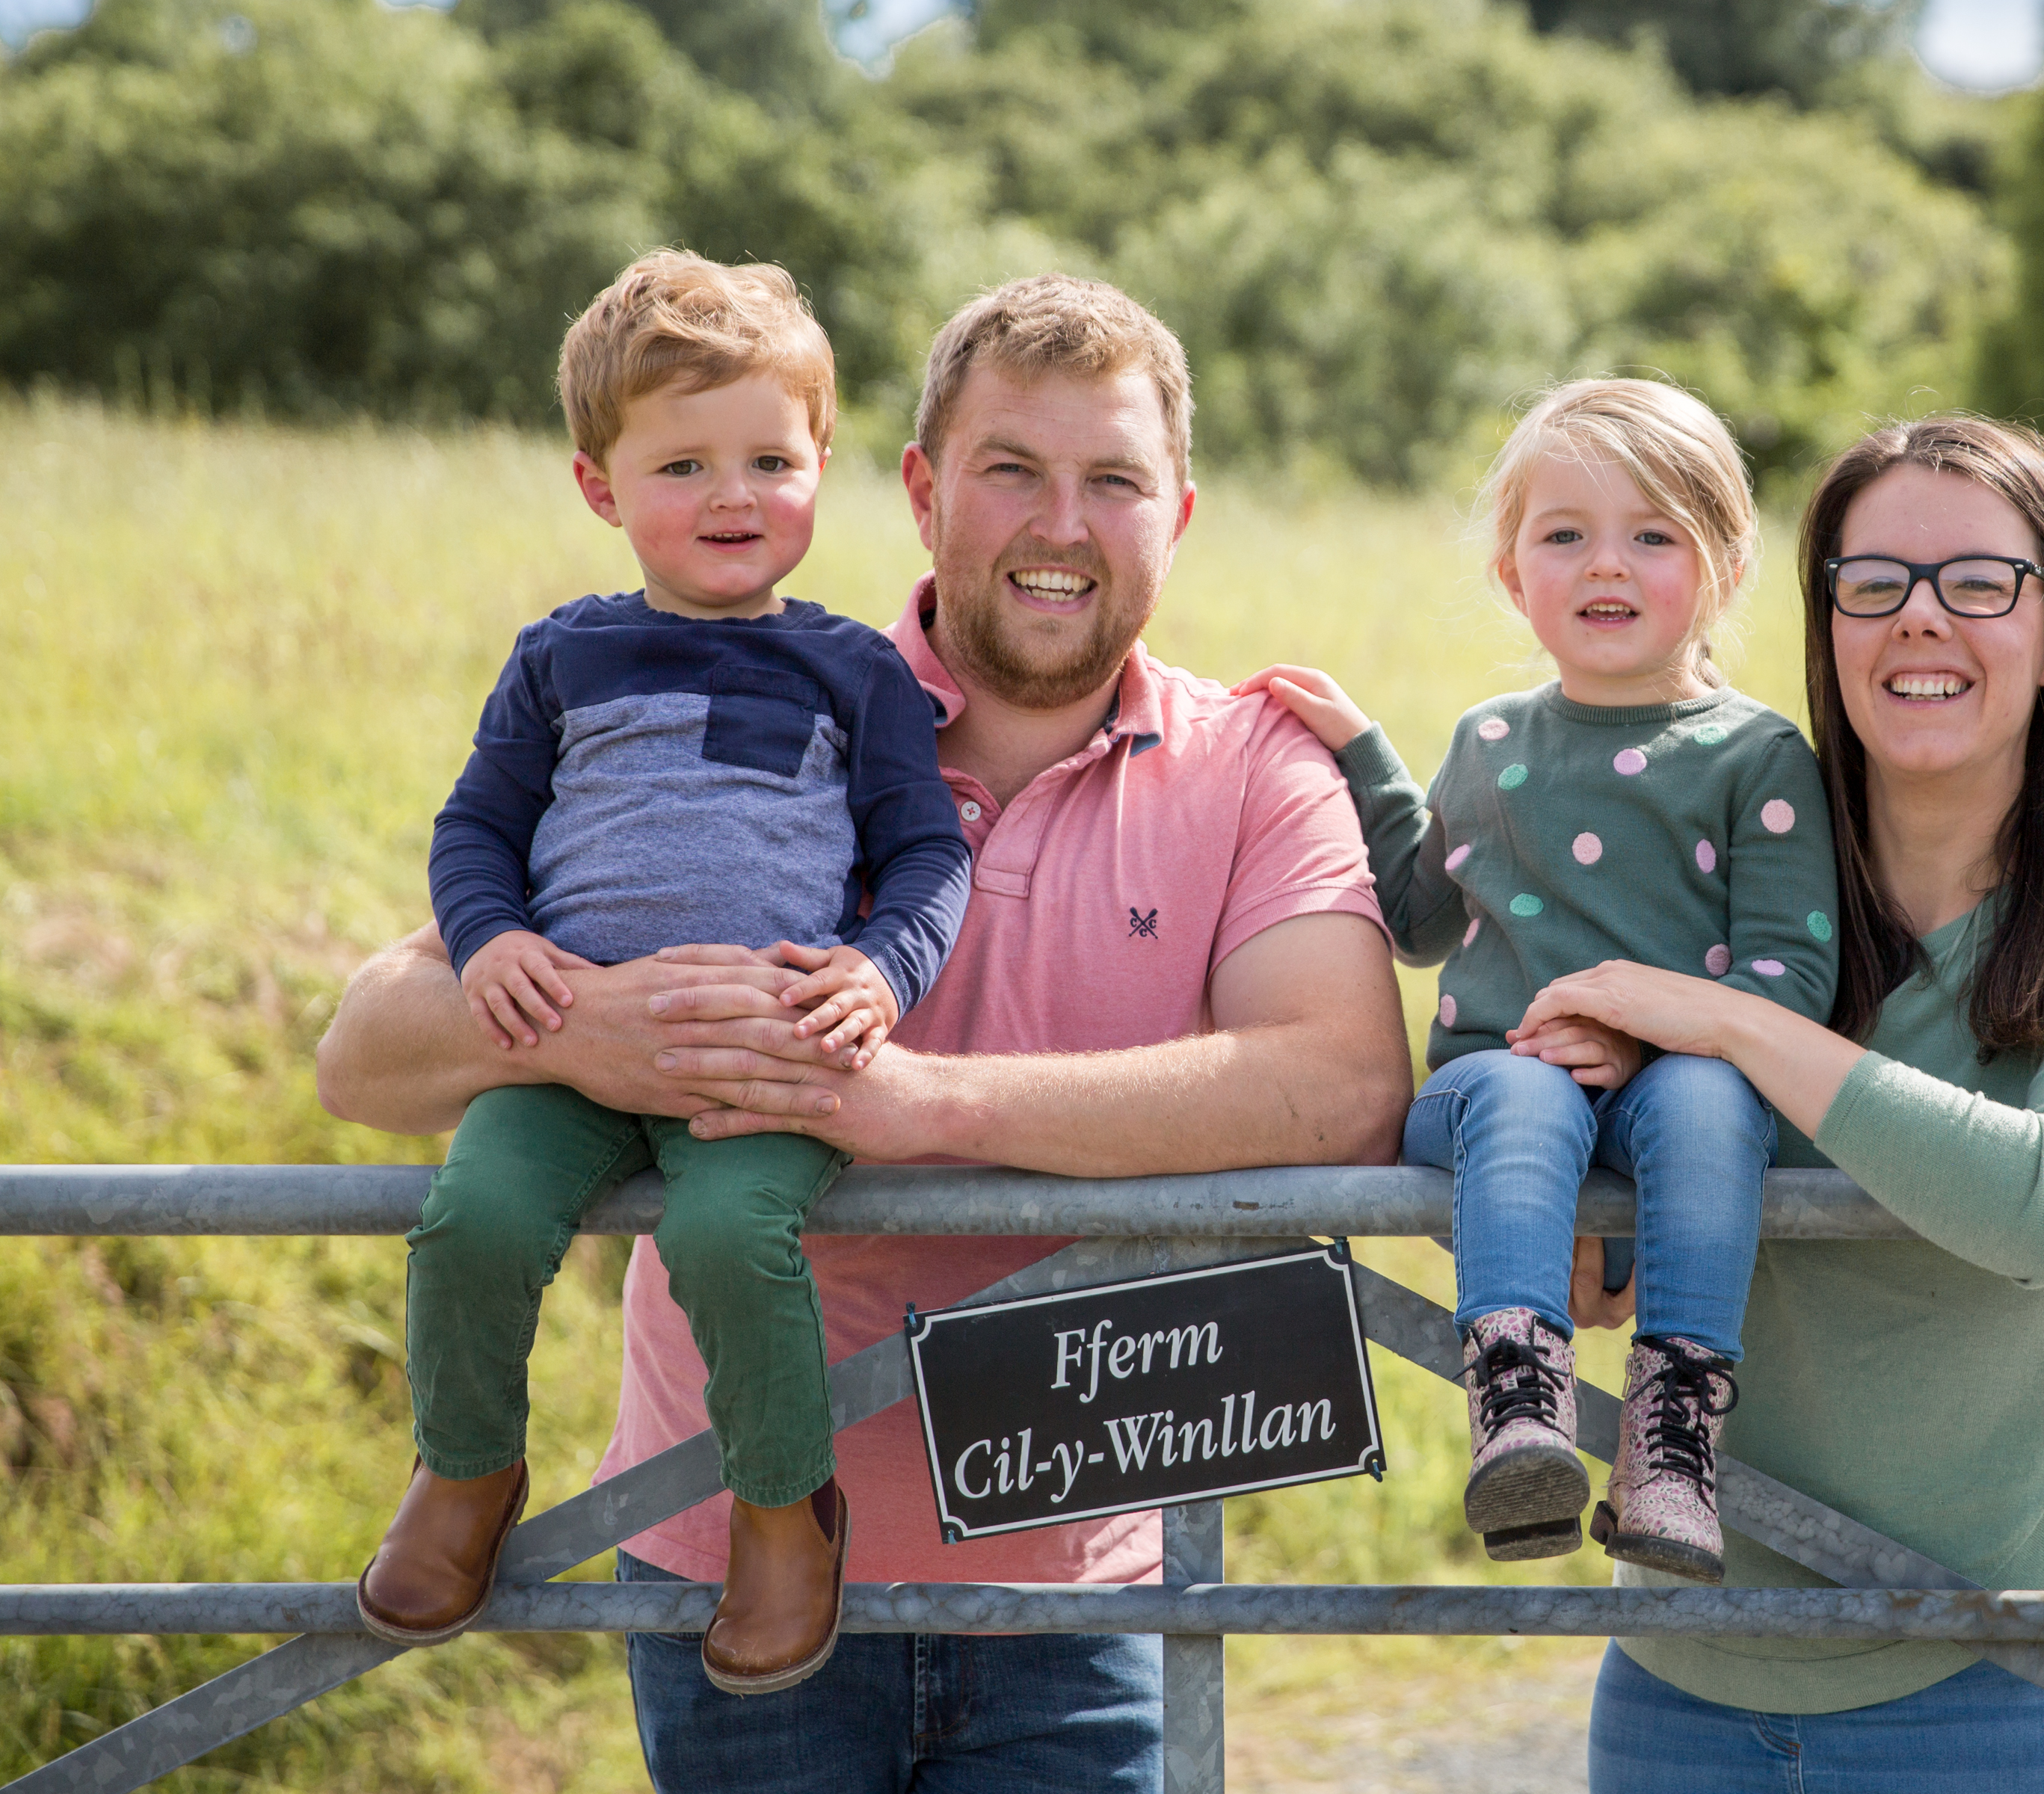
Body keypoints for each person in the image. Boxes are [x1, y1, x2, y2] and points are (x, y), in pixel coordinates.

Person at [315, 273, 1410, 1792]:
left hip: (1077, 1573)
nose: (1062, 525)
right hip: (712, 1558)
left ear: (1179, 513)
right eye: (1011, 469)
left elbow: (1344, 1087)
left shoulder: (1256, 767)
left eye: (1113, 482)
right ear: (919, 489)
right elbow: (364, 1054)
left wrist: (926, 1106)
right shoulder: (753, 680)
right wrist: (584, 1028)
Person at [1516, 413, 2044, 1791]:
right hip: (1681, 1674)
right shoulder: (1717, 904)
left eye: (1980, 582)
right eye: (1874, 581)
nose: (1920, 618)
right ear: (1828, 620)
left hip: (1994, 1671)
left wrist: (1737, 1024)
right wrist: (1592, 1223)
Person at [1237, 379, 1838, 1583]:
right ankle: (1519, 1410)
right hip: (1496, 1089)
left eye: (1653, 535)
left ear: (1724, 569)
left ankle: (1673, 1441)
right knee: (1524, 1091)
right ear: (1515, 575)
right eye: (1566, 534)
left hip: (1678, 1102)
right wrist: (1361, 756)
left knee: (1710, 1098)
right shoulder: (1492, 743)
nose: (1605, 563)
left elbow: (1791, 976)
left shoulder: (1757, 756)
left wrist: (1646, 1038)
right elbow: (1419, 920)